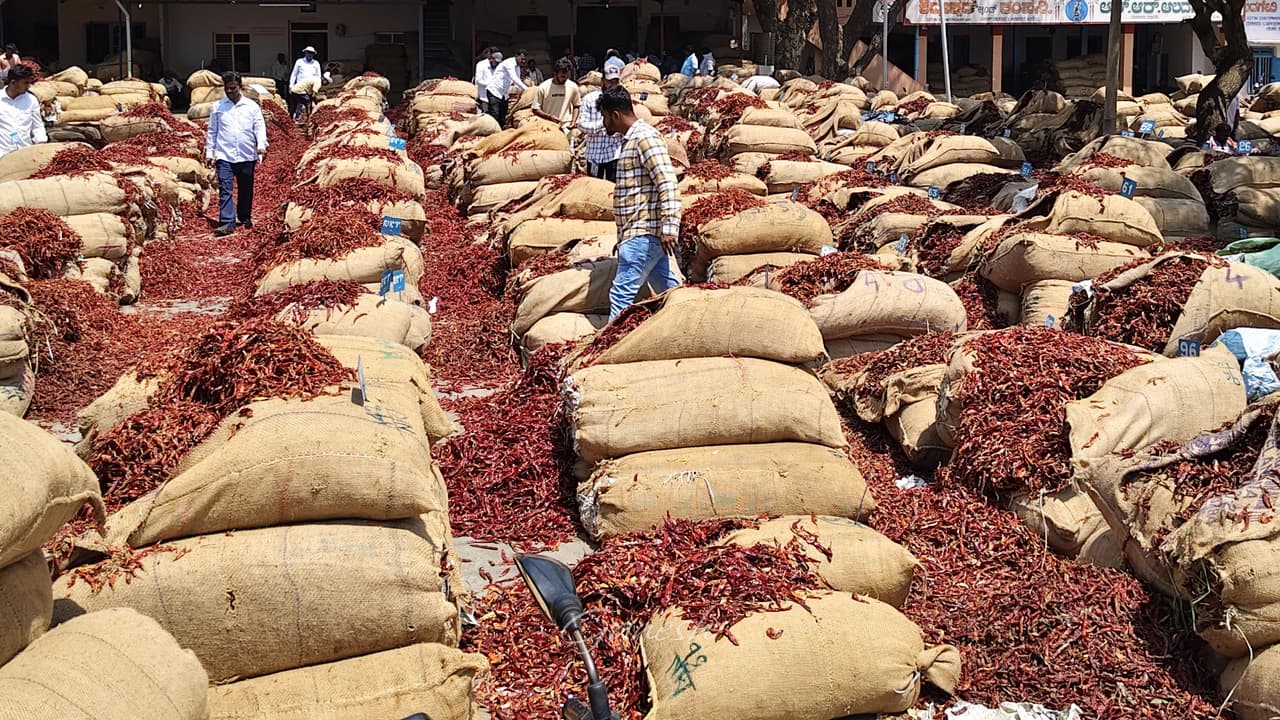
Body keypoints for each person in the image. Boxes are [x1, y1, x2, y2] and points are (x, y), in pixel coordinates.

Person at [597, 86, 681, 319]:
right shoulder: (631, 140)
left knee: (621, 294)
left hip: (643, 232)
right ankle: (691, 318)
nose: (604, 123)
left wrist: (669, 227)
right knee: (669, 289)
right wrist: (624, 236)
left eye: (605, 117)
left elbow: (667, 182)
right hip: (639, 232)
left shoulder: (645, 138)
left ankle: (612, 339)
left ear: (615, 114)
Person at [205, 72, 267, 237]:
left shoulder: (251, 106)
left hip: (246, 154)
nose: (230, 91)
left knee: (246, 188)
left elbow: (259, 127)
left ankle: (244, 216)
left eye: (233, 88)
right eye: (227, 88)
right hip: (224, 154)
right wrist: (210, 152)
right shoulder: (218, 107)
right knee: (225, 188)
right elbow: (212, 131)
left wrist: (261, 145)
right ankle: (227, 222)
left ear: (240, 86)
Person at [577, 65, 623, 181]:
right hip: (594, 154)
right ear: (602, 81)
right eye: (609, 81)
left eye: (615, 81)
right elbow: (582, 125)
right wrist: (603, 123)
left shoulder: (621, 100)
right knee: (594, 187)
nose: (612, 85)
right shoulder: (589, 99)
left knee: (612, 187)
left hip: (613, 154)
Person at [0, 64, 45, 160]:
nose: (28, 86)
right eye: (25, 83)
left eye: (29, 82)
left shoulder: (31, 100)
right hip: (3, 153)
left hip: (25, 153)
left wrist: (41, 143)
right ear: (13, 82)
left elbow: (37, 126)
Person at [532, 58, 581, 126]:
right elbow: (535, 109)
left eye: (567, 76)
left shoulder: (573, 86)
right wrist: (549, 117)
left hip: (566, 125)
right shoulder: (543, 87)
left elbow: (576, 106)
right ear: (555, 73)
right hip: (548, 125)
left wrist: (573, 121)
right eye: (562, 76)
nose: (565, 79)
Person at [486, 49, 527, 127]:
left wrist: (524, 93)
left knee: (502, 117)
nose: (523, 61)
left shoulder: (517, 68)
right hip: (494, 91)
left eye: (524, 59)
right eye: (522, 59)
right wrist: (527, 89)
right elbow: (514, 78)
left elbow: (516, 82)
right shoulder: (509, 63)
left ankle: (501, 132)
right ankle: (492, 131)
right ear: (516, 56)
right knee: (495, 115)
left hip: (504, 94)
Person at [288, 46, 323, 118]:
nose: (310, 54)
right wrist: (291, 85)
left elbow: (318, 76)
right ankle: (297, 118)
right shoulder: (299, 62)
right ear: (305, 53)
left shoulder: (316, 63)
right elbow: (294, 74)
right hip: (300, 87)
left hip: (310, 87)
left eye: (311, 53)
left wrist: (315, 88)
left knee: (309, 104)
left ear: (313, 54)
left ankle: (308, 118)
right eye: (308, 52)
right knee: (298, 104)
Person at [474, 47, 497, 114]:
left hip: (495, 98)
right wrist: (490, 85)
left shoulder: (498, 65)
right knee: (485, 116)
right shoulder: (481, 65)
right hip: (484, 97)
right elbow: (478, 81)